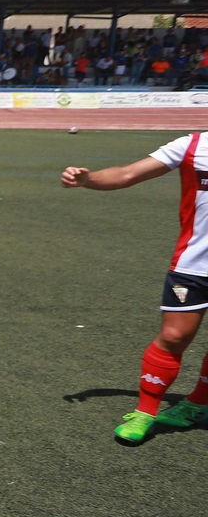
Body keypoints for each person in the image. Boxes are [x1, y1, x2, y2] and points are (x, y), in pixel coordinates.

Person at [63, 133, 208, 444]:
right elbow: (127, 174)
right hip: (193, 265)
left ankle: (198, 404)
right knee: (174, 336)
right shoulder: (193, 145)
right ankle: (145, 412)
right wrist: (89, 179)